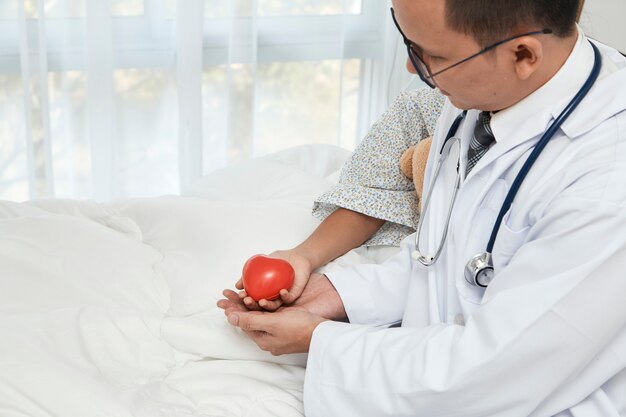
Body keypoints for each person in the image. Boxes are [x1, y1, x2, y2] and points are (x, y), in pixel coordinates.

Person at [220, 0, 626, 416]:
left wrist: (318, 339)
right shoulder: (488, 91)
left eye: (432, 56)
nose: (414, 70)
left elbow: (492, 372)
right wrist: (339, 295)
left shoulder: (607, 185)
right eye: (409, 43)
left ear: (522, 54)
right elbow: (447, 253)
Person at [234, 87, 445, 311]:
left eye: (439, 56)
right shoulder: (419, 104)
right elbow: (368, 198)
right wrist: (302, 256)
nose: (412, 68)